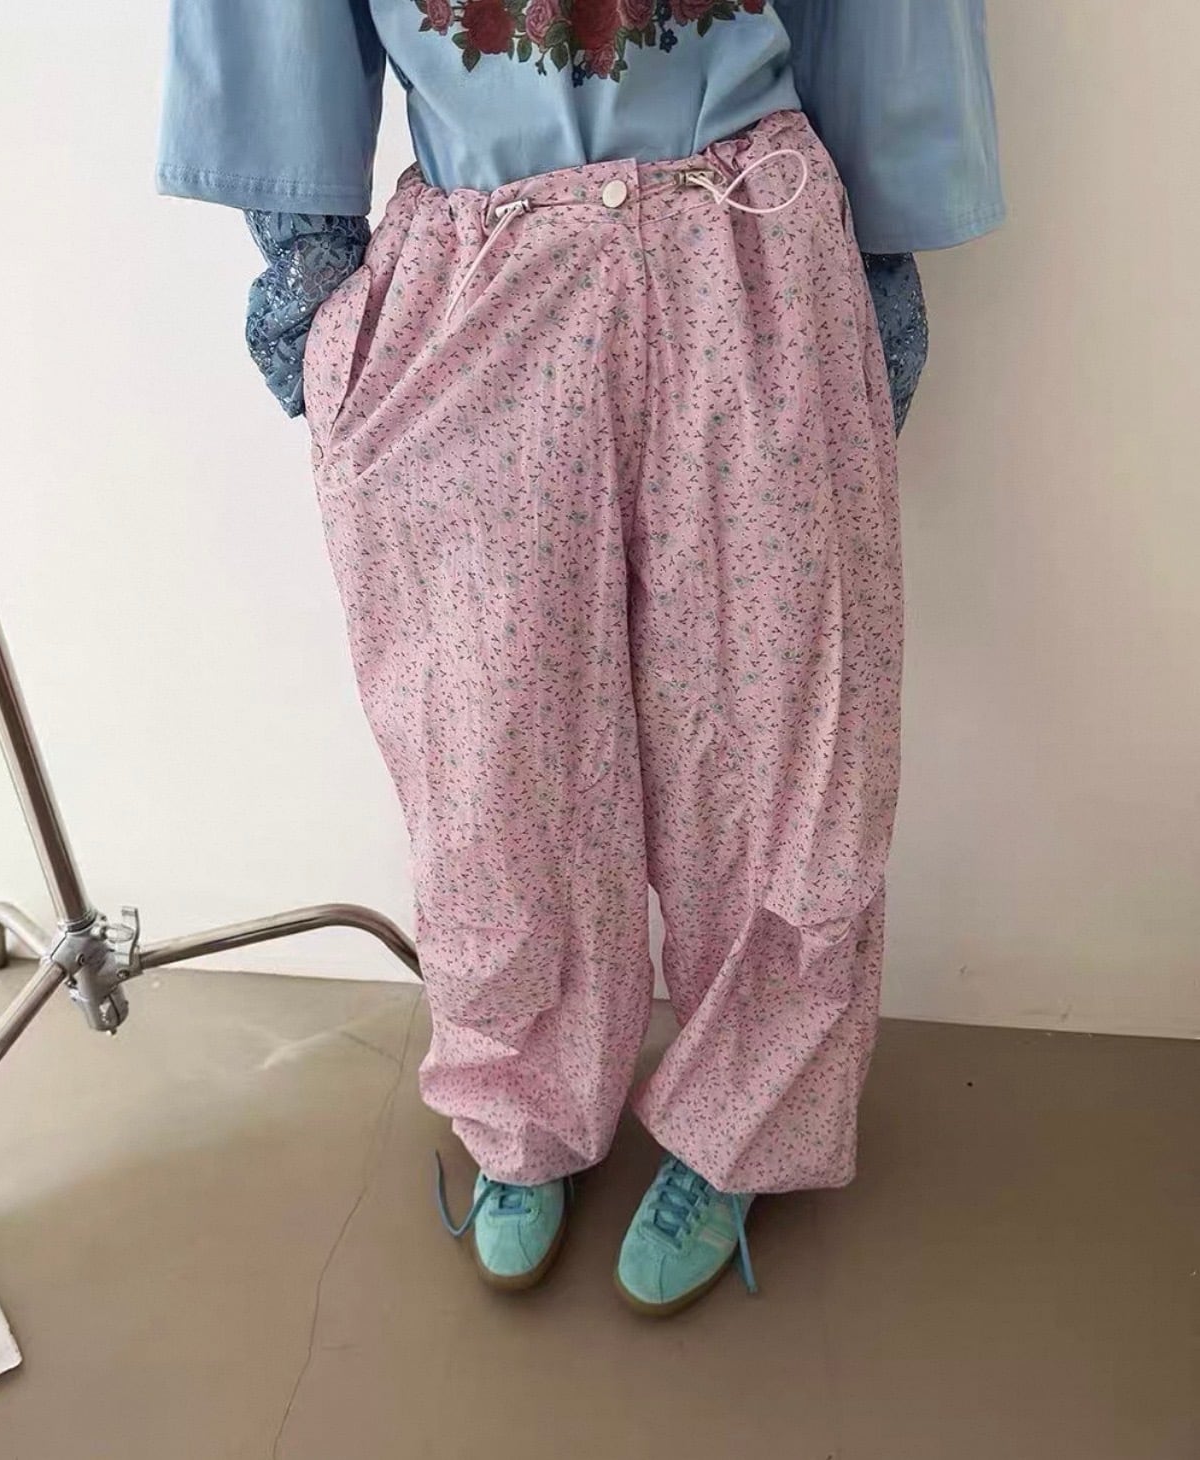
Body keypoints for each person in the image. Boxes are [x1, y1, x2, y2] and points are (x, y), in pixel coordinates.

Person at [158, 0, 1002, 1316]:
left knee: (779, 737)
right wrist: (311, 284)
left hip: (749, 245)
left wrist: (878, 266)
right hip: (478, 272)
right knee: (491, 750)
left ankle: (745, 1124)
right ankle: (523, 1107)